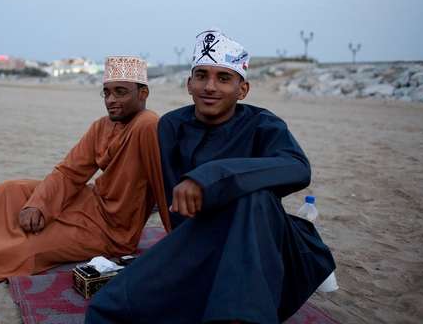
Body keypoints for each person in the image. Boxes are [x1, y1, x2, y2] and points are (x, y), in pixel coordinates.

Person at [86, 30, 336, 323]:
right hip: (202, 239)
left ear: (242, 90)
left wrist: (210, 177)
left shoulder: (263, 124)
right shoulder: (171, 126)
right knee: (109, 307)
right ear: (189, 84)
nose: (210, 87)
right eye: (202, 76)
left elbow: (297, 167)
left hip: (263, 244)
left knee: (253, 196)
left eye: (224, 78)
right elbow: (177, 213)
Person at [0, 56, 171, 287]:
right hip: (90, 200)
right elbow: (68, 172)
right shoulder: (102, 125)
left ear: (143, 93)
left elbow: (164, 183)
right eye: (107, 92)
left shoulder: (148, 124)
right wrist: (39, 205)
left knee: (30, 248)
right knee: (10, 190)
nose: (111, 100)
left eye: (120, 92)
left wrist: (177, 240)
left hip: (113, 232)